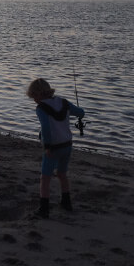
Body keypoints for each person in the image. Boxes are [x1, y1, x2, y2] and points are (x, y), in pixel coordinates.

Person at [27, 78, 85, 217]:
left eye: (34, 96)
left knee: (45, 178)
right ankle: (66, 202)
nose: (34, 100)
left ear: (38, 94)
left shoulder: (41, 108)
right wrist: (80, 112)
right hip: (67, 145)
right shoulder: (63, 102)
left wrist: (47, 146)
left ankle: (44, 209)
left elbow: (46, 128)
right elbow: (80, 113)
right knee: (62, 174)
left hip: (53, 147)